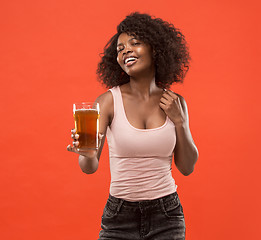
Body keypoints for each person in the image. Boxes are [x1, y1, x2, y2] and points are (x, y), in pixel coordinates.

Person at [67, 12, 198, 240]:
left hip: (167, 214)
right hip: (119, 216)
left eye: (134, 43)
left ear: (155, 49)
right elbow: (89, 167)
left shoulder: (175, 103)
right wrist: (87, 154)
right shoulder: (108, 101)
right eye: (120, 48)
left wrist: (181, 122)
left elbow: (187, 167)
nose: (125, 50)